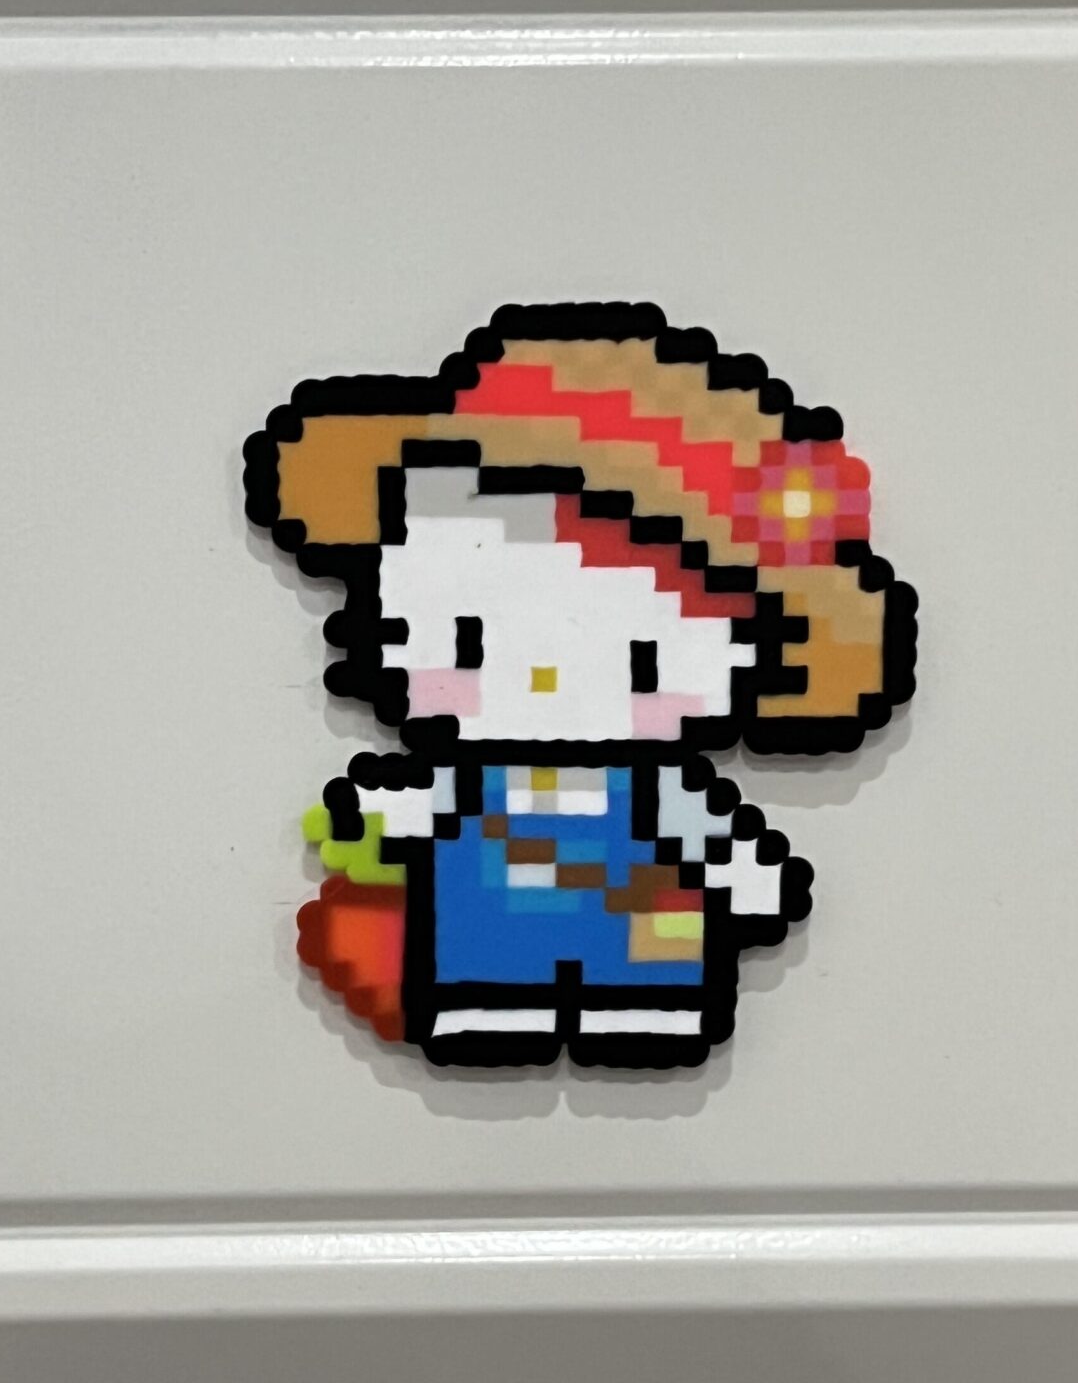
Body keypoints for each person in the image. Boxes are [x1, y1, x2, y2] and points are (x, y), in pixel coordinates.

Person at [245, 301, 916, 1072]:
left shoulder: (656, 793)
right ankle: (493, 1003)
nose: (542, 676)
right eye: (469, 641)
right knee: (488, 976)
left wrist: (744, 876)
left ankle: (643, 1007)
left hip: (642, 935)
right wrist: (372, 815)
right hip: (489, 933)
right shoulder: (477, 785)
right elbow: (414, 807)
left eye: (641, 658)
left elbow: (705, 838)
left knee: (643, 980)